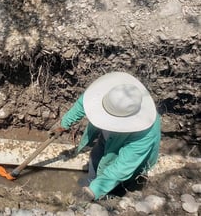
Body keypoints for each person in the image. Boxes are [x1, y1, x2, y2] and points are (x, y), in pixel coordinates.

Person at [50, 72, 161, 201]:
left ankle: (105, 196)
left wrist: (93, 192)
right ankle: (91, 182)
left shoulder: (145, 133)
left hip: (129, 153)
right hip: (109, 138)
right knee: (96, 156)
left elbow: (122, 168)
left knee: (118, 180)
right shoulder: (115, 93)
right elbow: (84, 102)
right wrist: (64, 124)